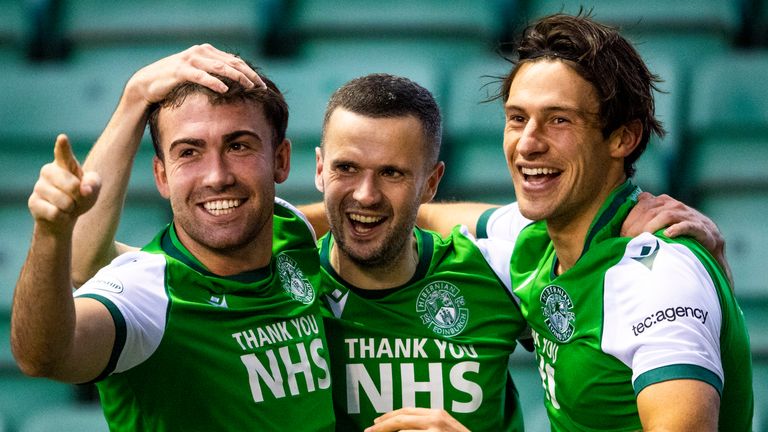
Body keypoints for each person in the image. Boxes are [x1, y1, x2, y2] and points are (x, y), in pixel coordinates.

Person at [64, 46, 731, 431]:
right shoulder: (275, 265)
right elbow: (84, 265)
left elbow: (544, 243)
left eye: (394, 176)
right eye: (347, 171)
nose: (365, 195)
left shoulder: (503, 265)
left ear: (430, 181)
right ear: (317, 168)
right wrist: (132, 105)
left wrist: (689, 264)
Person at [420, 13, 753, 431]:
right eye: (517, 118)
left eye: (560, 120)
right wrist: (311, 222)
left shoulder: (656, 277)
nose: (528, 143)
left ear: (622, 138)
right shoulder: (539, 237)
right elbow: (424, 213)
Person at [11, 64, 336, 430]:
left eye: (238, 146)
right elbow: (44, 356)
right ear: (162, 175)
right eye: (189, 153)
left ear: (281, 160)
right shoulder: (145, 295)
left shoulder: (292, 230)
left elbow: (371, 210)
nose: (217, 176)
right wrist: (51, 232)